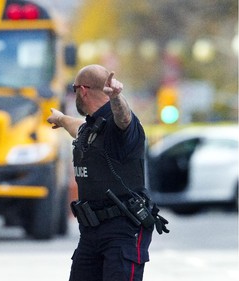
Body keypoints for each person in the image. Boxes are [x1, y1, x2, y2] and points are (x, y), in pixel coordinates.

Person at [47, 64, 168, 281]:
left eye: (74, 89)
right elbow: (79, 128)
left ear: (83, 90)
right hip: (91, 231)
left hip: (122, 230)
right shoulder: (93, 126)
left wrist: (116, 98)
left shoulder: (119, 126)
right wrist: (61, 119)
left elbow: (124, 119)